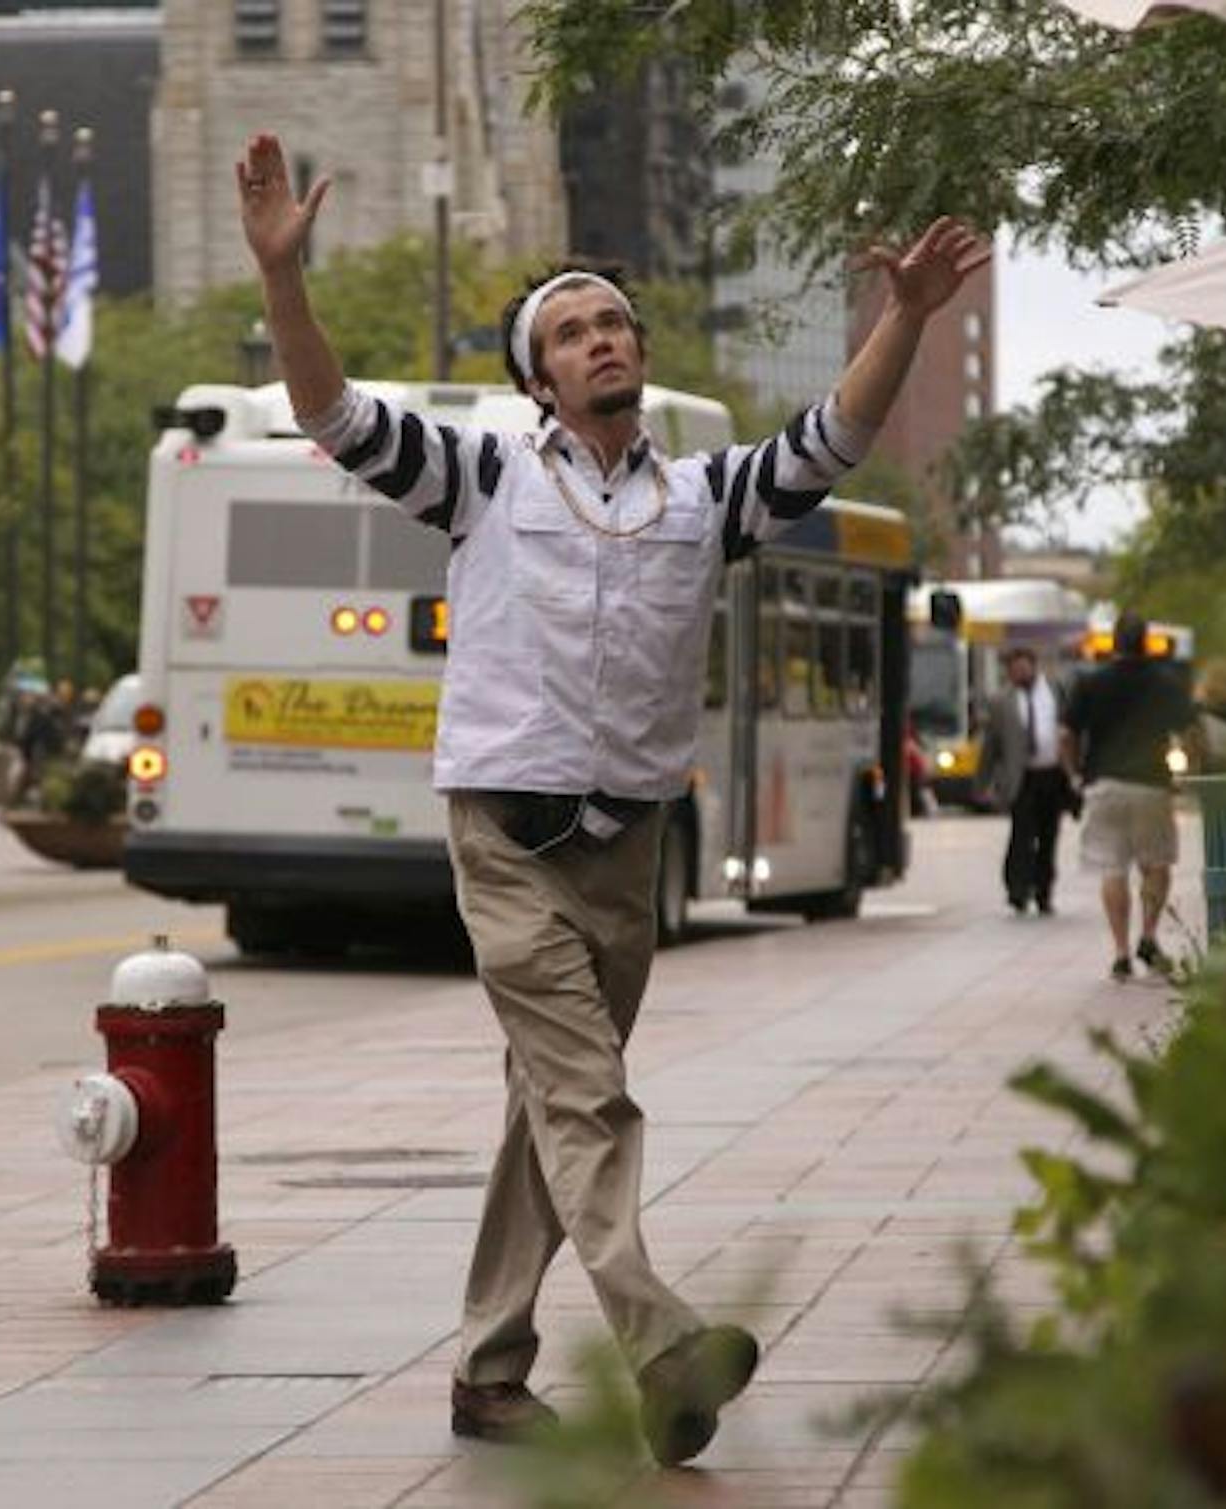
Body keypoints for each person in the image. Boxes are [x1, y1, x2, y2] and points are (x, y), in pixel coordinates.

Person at [236, 132, 989, 1462]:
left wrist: (908, 317)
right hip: (507, 837)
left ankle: (487, 1373)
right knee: (590, 1099)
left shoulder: (703, 498)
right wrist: (282, 278)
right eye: (572, 332)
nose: (600, 341)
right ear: (538, 377)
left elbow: (834, 440)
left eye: (613, 324)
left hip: (627, 848)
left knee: (550, 1108)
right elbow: (333, 415)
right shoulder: (482, 476)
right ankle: (661, 1342)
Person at [1060, 612, 1198, 981]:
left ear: (1114, 642)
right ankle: (1148, 936)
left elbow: (1066, 734)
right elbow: (1190, 732)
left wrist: (1074, 774)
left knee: (1112, 868)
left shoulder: (1091, 682)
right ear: (1145, 641)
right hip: (1151, 784)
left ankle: (1120, 952)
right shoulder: (1165, 682)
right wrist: (1185, 771)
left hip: (1104, 785)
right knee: (1157, 865)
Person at [976, 646, 1073, 915]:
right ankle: (1018, 889)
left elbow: (1071, 729)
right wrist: (982, 783)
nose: (1018, 673)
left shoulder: (1055, 693)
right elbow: (991, 746)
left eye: (1022, 667)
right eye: (1013, 670)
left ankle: (1044, 891)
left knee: (1049, 836)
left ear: (1033, 666)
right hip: (1022, 778)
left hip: (1052, 774)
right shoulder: (1001, 702)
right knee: (1022, 835)